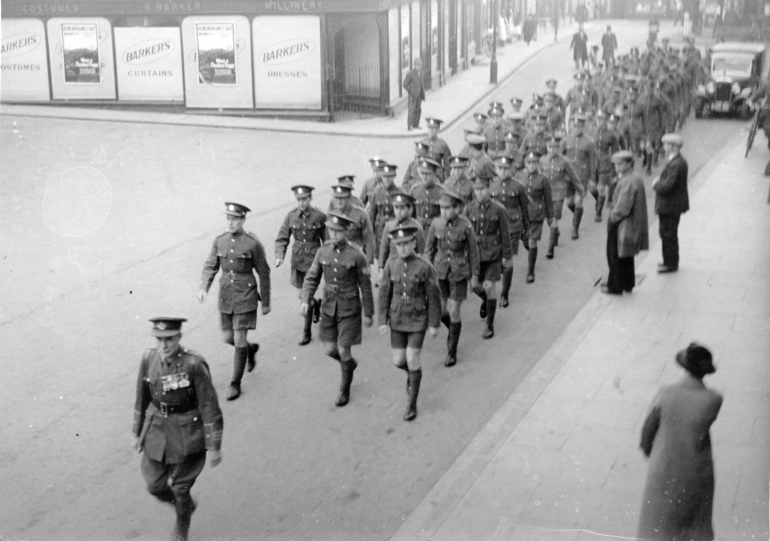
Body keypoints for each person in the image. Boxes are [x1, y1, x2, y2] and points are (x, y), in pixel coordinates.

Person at [133, 317, 223, 541]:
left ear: (179, 337)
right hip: (156, 428)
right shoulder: (149, 358)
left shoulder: (193, 364)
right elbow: (141, 397)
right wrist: (137, 432)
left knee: (181, 488)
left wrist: (214, 445)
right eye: (159, 339)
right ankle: (185, 506)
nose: (163, 346)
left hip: (186, 432)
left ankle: (182, 529)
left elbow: (209, 404)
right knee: (154, 485)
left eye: (169, 340)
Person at [637, 343, 723, 541]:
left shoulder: (666, 393)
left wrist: (650, 452)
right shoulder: (714, 399)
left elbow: (648, 430)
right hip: (697, 470)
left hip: (663, 465)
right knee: (693, 521)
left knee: (659, 522)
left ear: (684, 367)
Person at [198, 202, 270, 401]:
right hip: (226, 295)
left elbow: (263, 272)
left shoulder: (252, 243)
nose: (230, 222)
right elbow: (210, 265)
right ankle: (251, 349)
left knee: (238, 339)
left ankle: (235, 383)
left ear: (243, 220)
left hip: (246, 295)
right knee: (227, 338)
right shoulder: (219, 241)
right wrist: (204, 287)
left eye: (235, 218)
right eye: (228, 218)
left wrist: (266, 302)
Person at [301, 213, 374, 407]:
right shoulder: (322, 252)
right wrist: (306, 298)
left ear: (346, 231)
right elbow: (312, 277)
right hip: (328, 306)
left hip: (349, 308)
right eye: (330, 230)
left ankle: (344, 389)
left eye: (337, 230)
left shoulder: (357, 255)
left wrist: (368, 312)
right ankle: (349, 365)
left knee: (343, 349)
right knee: (329, 349)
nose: (333, 234)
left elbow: (365, 286)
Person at [378, 225, 441, 421]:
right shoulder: (391, 264)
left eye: (406, 244)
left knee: (413, 357)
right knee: (399, 360)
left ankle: (412, 403)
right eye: (398, 245)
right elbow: (384, 294)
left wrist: (433, 323)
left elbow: (434, 296)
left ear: (414, 242)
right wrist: (382, 320)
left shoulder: (424, 266)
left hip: (417, 318)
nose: (402, 248)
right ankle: (412, 375)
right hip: (397, 318)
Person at [425, 189, 480, 366]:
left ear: (456, 208)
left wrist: (474, 276)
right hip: (440, 272)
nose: (443, 212)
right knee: (441, 312)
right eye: (441, 208)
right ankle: (453, 330)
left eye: (447, 208)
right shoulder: (436, 224)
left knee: (454, 310)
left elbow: (473, 251)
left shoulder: (465, 225)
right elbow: (429, 249)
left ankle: (452, 351)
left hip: (458, 273)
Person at [275, 185, 326, 346]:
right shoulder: (291, 216)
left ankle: (306, 331)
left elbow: (327, 240)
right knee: (300, 295)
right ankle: (317, 305)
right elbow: (282, 237)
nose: (302, 203)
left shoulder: (319, 216)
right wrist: (279, 256)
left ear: (310, 198)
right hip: (297, 261)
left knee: (306, 296)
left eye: (305, 199)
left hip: (314, 262)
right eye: (299, 200)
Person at [466, 175, 512, 338]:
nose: (479, 193)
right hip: (475, 255)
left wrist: (507, 255)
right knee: (476, 287)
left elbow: (505, 234)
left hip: (493, 254)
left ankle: (489, 325)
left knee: (489, 287)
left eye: (482, 189)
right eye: (476, 190)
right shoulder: (469, 208)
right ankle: (487, 301)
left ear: (488, 189)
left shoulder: (498, 209)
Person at [602, 150, 649, 295]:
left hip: (623, 224)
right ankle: (628, 283)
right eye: (615, 164)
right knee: (626, 256)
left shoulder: (628, 182)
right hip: (631, 224)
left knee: (615, 256)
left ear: (629, 164)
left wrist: (611, 219)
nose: (617, 167)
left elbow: (622, 208)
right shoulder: (634, 177)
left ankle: (615, 286)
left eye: (620, 164)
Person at [490, 155, 530, 306]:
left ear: (511, 169)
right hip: (495, 229)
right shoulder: (491, 187)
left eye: (506, 169)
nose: (503, 171)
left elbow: (525, 210)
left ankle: (505, 293)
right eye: (500, 168)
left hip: (512, 228)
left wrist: (527, 229)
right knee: (498, 260)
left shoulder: (518, 187)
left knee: (507, 260)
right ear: (496, 169)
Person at [539, 137, 583, 260]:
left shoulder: (564, 161)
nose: (552, 150)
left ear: (558, 148)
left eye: (554, 147)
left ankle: (550, 249)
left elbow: (573, 176)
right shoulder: (542, 160)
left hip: (558, 193)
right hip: (546, 193)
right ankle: (556, 233)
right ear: (547, 148)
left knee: (554, 219)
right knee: (549, 219)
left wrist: (580, 189)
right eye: (550, 147)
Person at [652, 133, 689, 273]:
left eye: (666, 144)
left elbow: (667, 187)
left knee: (668, 234)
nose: (664, 146)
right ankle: (669, 261)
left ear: (673, 147)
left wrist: (656, 184)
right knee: (667, 233)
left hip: (670, 206)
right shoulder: (676, 161)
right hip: (671, 205)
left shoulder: (676, 164)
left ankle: (670, 264)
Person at [517, 151, 554, 282]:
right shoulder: (519, 177)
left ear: (538, 164)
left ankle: (530, 272)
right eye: (529, 163)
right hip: (522, 215)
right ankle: (532, 254)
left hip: (537, 215)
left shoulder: (543, 179)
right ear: (525, 164)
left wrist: (550, 217)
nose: (532, 166)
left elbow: (548, 200)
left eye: (534, 163)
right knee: (526, 241)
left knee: (532, 241)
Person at [378, 192, 426, 275]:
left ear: (410, 209)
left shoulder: (417, 228)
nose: (398, 212)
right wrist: (381, 269)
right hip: (392, 269)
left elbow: (421, 254)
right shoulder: (389, 226)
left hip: (410, 271)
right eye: (396, 208)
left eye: (402, 208)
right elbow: (383, 250)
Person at [330, 184, 376, 268]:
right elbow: (329, 239)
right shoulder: (333, 214)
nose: (339, 201)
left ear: (348, 198)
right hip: (338, 257)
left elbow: (369, 238)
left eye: (342, 198)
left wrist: (368, 261)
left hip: (357, 257)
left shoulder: (360, 214)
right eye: (336, 198)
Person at [593, 110, 621, 222]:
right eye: (598, 119)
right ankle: (600, 201)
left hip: (605, 164)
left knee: (600, 188)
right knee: (592, 188)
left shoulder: (611, 135)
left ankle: (598, 213)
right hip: (592, 164)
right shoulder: (591, 132)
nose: (599, 121)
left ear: (605, 121)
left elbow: (615, 152)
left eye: (602, 119)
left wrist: (615, 169)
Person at [410, 157, 444, 232]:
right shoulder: (414, 190)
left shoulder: (441, 192)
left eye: (428, 174)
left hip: (435, 230)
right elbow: (410, 214)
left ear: (434, 174)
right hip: (418, 230)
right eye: (422, 173)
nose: (424, 177)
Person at [403, 58, 425, 131]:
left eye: (420, 65)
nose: (418, 67)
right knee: (411, 110)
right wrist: (410, 91)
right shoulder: (410, 73)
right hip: (412, 95)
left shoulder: (421, 73)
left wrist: (422, 93)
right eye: (417, 65)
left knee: (418, 110)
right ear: (414, 65)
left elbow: (421, 84)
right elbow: (405, 84)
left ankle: (416, 125)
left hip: (419, 95)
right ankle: (409, 126)